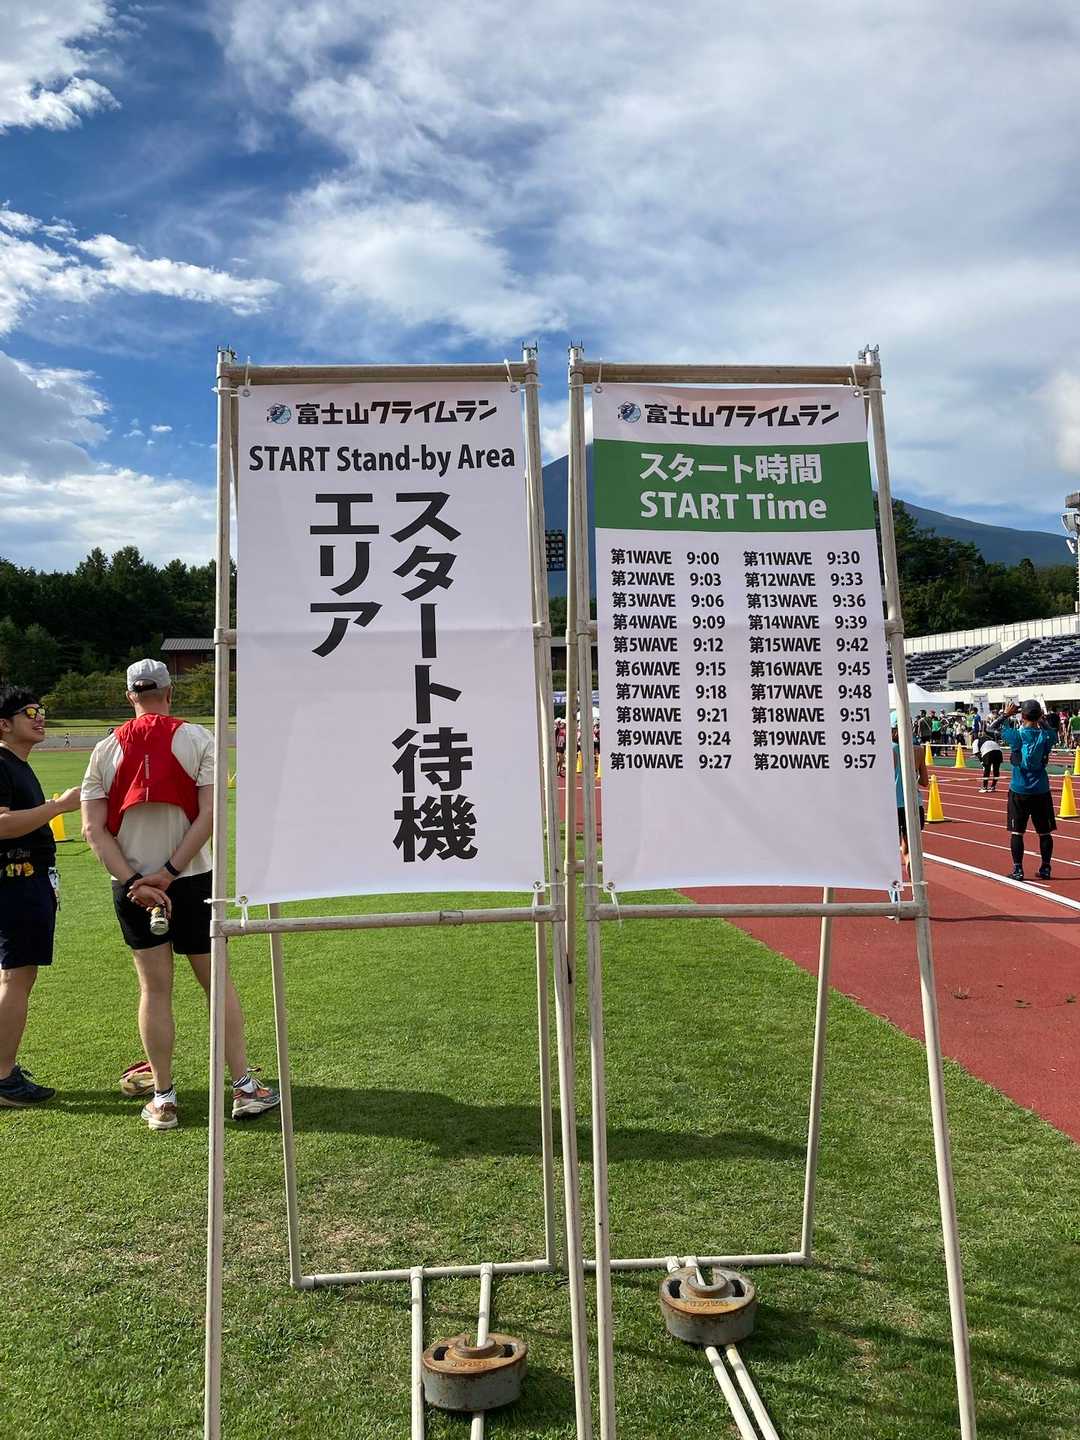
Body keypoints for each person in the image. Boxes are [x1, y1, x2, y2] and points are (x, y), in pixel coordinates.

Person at [81, 659, 279, 1132]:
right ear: (170, 693)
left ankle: (164, 1098)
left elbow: (92, 829)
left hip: (132, 887)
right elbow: (209, 815)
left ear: (130, 696)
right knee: (217, 983)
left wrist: (137, 882)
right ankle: (243, 1088)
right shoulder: (198, 738)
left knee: (154, 990)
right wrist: (170, 873)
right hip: (191, 880)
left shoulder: (104, 749)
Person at [0, 688, 82, 1106]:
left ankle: (4, 1067)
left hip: (25, 881)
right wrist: (57, 807)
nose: (39, 717)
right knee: (16, 977)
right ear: (4, 724)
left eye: (41, 710)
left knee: (15, 976)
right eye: (28, 711)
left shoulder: (17, 764)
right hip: (16, 881)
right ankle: (2, 1078)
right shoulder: (2, 764)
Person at [987, 699, 1057, 881]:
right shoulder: (1046, 736)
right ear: (1039, 715)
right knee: (1045, 832)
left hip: (1019, 789)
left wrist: (1006, 714)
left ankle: (1018, 869)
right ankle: (1046, 867)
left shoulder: (1016, 736)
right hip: (1041, 789)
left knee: (1017, 832)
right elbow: (1053, 732)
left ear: (1022, 716)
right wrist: (1042, 719)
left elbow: (990, 729)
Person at [892, 712, 929, 879]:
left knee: (889, 849)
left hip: (892, 805)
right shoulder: (919, 751)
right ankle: (916, 884)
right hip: (913, 804)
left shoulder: (885, 750)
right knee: (909, 849)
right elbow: (925, 782)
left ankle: (893, 888)